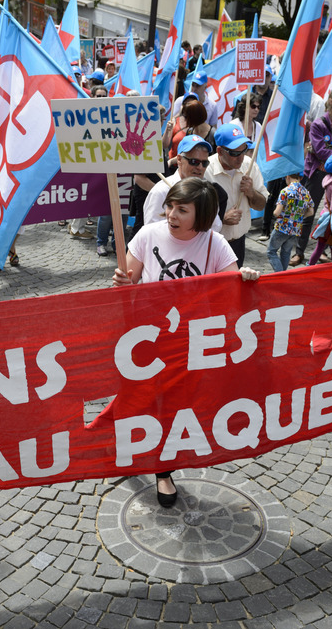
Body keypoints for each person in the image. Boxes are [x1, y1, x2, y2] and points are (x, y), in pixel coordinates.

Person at [112, 178, 259, 507]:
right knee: (139, 398)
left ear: (201, 214)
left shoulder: (215, 244)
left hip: (190, 342)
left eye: (181, 209)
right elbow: (129, 281)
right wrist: (122, 281)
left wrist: (246, 276)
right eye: (170, 206)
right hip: (145, 338)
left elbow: (231, 284)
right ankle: (126, 443)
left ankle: (162, 470)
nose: (171, 214)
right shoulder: (149, 234)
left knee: (175, 405)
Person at [292, 88, 332, 266]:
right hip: (317, 172)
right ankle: (299, 251)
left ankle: (325, 249)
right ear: (330, 101)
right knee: (308, 211)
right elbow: (320, 151)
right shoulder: (319, 124)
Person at [204, 125, 268, 266]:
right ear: (220, 151)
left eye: (244, 151)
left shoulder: (249, 165)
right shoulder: (205, 171)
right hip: (210, 244)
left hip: (238, 243)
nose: (240, 158)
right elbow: (195, 215)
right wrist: (222, 219)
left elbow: (261, 205)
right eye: (234, 153)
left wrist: (251, 193)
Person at [144, 135, 226, 232]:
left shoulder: (208, 191)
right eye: (194, 161)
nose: (200, 167)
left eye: (204, 163)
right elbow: (151, 232)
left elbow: (215, 227)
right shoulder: (161, 191)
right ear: (179, 160)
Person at [266, 171, 313, 272]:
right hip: (296, 229)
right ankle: (283, 275)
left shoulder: (285, 191)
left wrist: (274, 212)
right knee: (286, 252)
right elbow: (311, 212)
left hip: (282, 227)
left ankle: (280, 275)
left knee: (271, 252)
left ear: (287, 176)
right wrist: (298, 217)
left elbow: (277, 212)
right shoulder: (305, 192)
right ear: (300, 178)